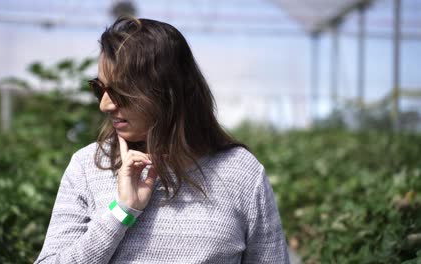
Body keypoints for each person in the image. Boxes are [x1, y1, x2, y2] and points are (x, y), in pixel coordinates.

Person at [35, 17, 289, 263]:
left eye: (120, 91)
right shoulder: (88, 167)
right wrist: (121, 212)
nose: (104, 104)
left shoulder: (241, 174)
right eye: (99, 89)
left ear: (168, 92)